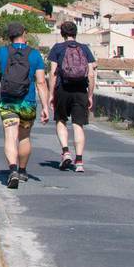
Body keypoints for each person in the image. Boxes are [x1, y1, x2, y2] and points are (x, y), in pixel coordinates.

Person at [0, 22, 47, 189]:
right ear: (25, 34)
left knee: (10, 136)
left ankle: (13, 170)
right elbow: (41, 82)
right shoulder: (35, 55)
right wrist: (45, 106)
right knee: (24, 137)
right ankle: (22, 171)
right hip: (27, 103)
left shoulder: (2, 52)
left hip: (8, 101)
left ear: (9, 36)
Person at [46, 20, 96, 173]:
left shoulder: (57, 48)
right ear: (76, 33)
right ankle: (79, 161)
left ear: (62, 33)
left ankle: (66, 152)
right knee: (78, 125)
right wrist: (90, 95)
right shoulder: (85, 49)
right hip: (80, 90)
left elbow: (53, 74)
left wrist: (51, 94)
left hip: (63, 90)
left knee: (61, 120)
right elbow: (92, 74)